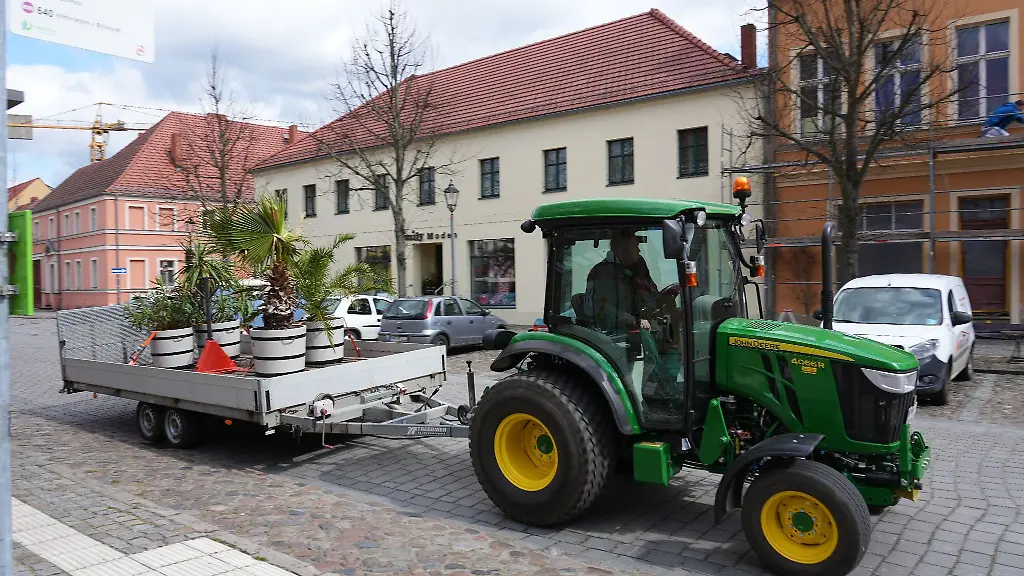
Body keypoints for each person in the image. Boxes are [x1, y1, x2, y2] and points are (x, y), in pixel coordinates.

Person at [584, 230, 659, 334]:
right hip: (617, 334)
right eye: (635, 246)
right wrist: (634, 320)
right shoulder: (602, 272)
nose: (639, 250)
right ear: (622, 249)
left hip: (643, 325)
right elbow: (602, 309)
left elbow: (652, 293)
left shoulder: (638, 269)